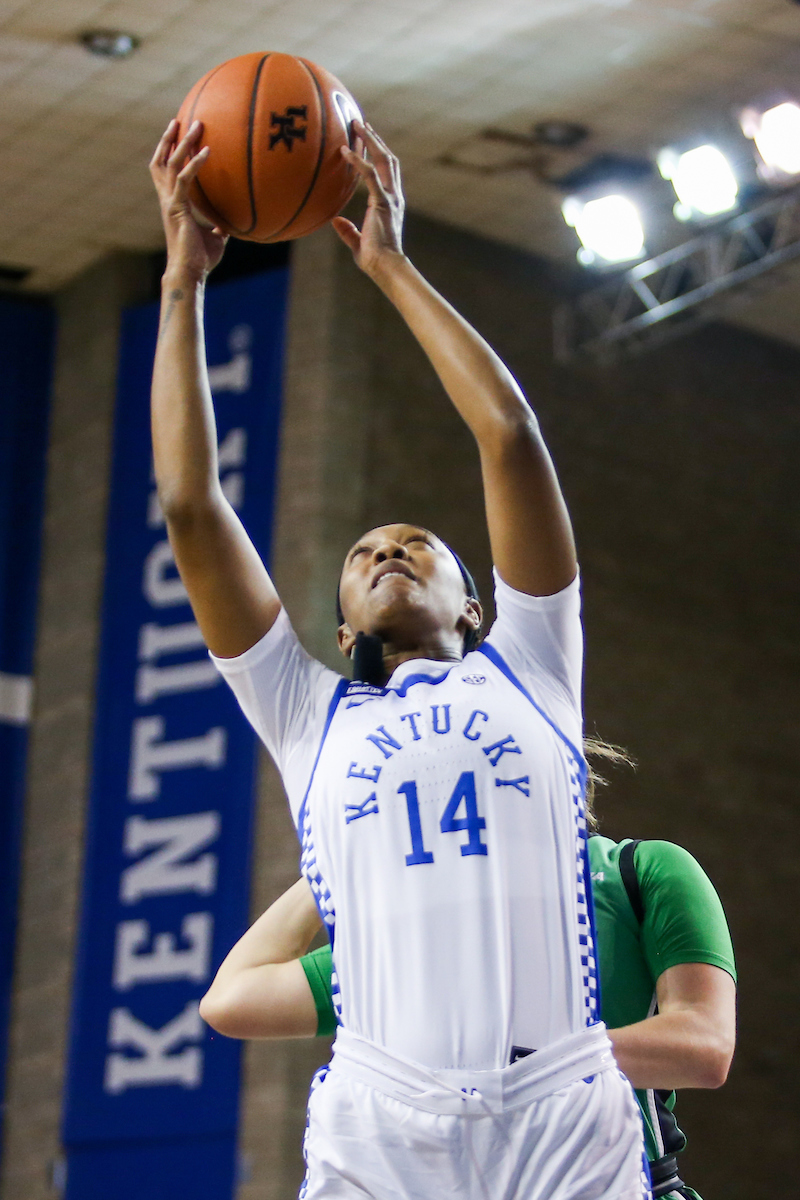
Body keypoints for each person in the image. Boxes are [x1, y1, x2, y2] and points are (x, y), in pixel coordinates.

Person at [150, 116, 650, 1199]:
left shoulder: (531, 659)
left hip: (560, 1104)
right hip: (383, 1113)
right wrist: (181, 285)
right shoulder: (305, 711)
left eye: (415, 545)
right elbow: (191, 505)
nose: (386, 551)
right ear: (336, 634)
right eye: (364, 552)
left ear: (475, 602)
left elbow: (507, 431)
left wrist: (387, 265)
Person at [199, 830, 736, 1200]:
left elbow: (705, 1048)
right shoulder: (416, 923)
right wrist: (335, 855)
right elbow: (233, 1000)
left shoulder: (634, 871)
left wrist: (515, 1057)